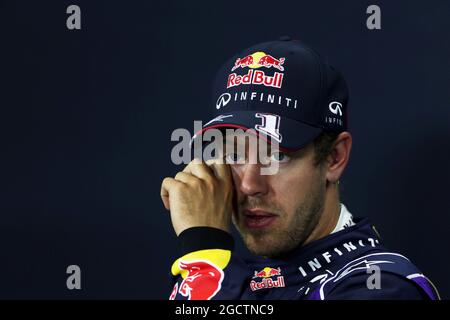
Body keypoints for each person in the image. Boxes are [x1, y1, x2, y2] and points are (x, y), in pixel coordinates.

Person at [161, 37, 440, 300]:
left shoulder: (383, 286)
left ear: (334, 157)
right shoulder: (239, 276)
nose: (249, 185)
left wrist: (205, 255)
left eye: (277, 156)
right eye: (234, 154)